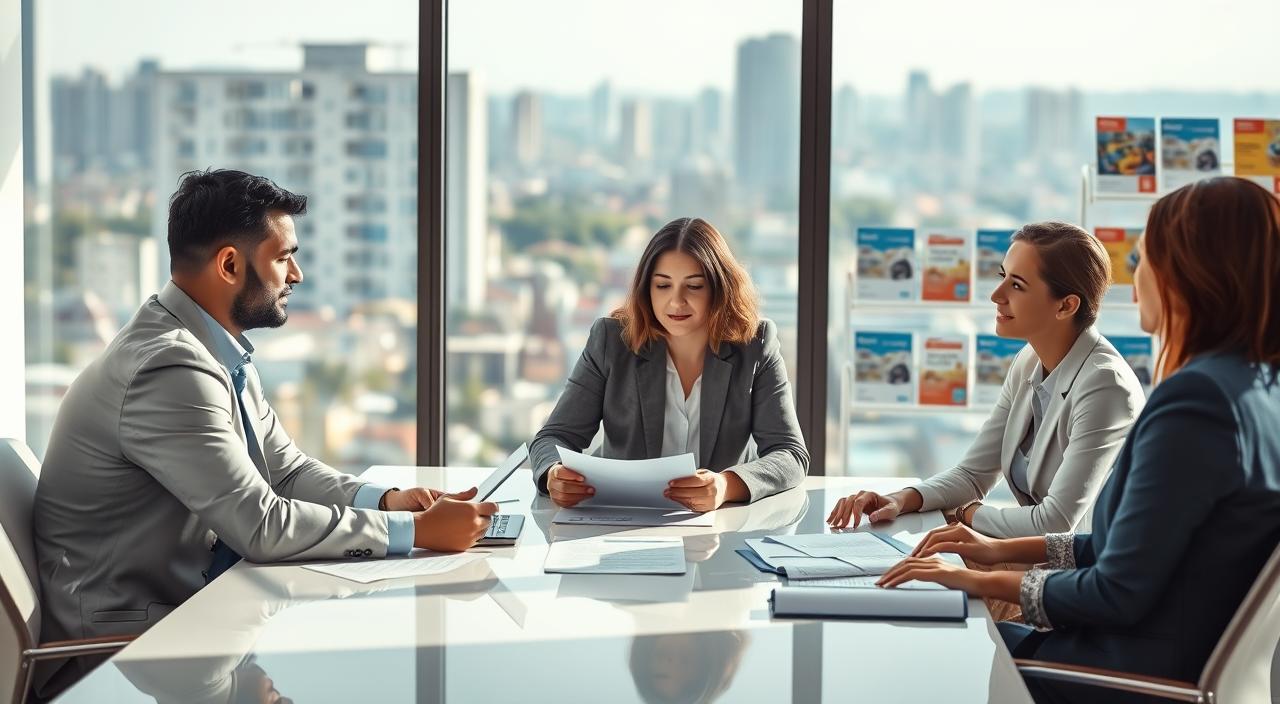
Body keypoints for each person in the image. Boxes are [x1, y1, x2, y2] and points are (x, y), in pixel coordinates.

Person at [32, 169, 497, 696]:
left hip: (196, 615)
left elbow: (286, 470)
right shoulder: (168, 368)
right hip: (126, 649)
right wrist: (416, 534)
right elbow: (261, 523)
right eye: (283, 257)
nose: (296, 274)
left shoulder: (213, 350)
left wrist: (389, 503)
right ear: (230, 264)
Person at [878, 176, 1280, 702]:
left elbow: (1116, 591)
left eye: (1144, 261)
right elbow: (1120, 550)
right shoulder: (1254, 390)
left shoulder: (1197, 403)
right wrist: (994, 550)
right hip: (1157, 655)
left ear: (1192, 275)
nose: (1135, 282)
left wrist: (977, 580)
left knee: (933, 641)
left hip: (1131, 674)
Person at [828, 222, 1145, 539]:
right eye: (1001, 276)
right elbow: (972, 475)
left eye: (1017, 285)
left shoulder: (1106, 385)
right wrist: (901, 499)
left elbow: (1056, 524)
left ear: (1066, 305)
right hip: (1032, 560)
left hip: (1083, 575)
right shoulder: (1029, 361)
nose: (996, 295)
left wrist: (965, 515)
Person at [530, 217, 809, 511]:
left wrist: (726, 485)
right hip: (619, 520)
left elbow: (790, 453)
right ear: (646, 289)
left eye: (694, 286)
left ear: (719, 289)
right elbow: (553, 437)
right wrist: (554, 474)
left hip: (717, 526)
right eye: (663, 285)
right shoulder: (611, 340)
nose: (676, 302)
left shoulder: (755, 344)